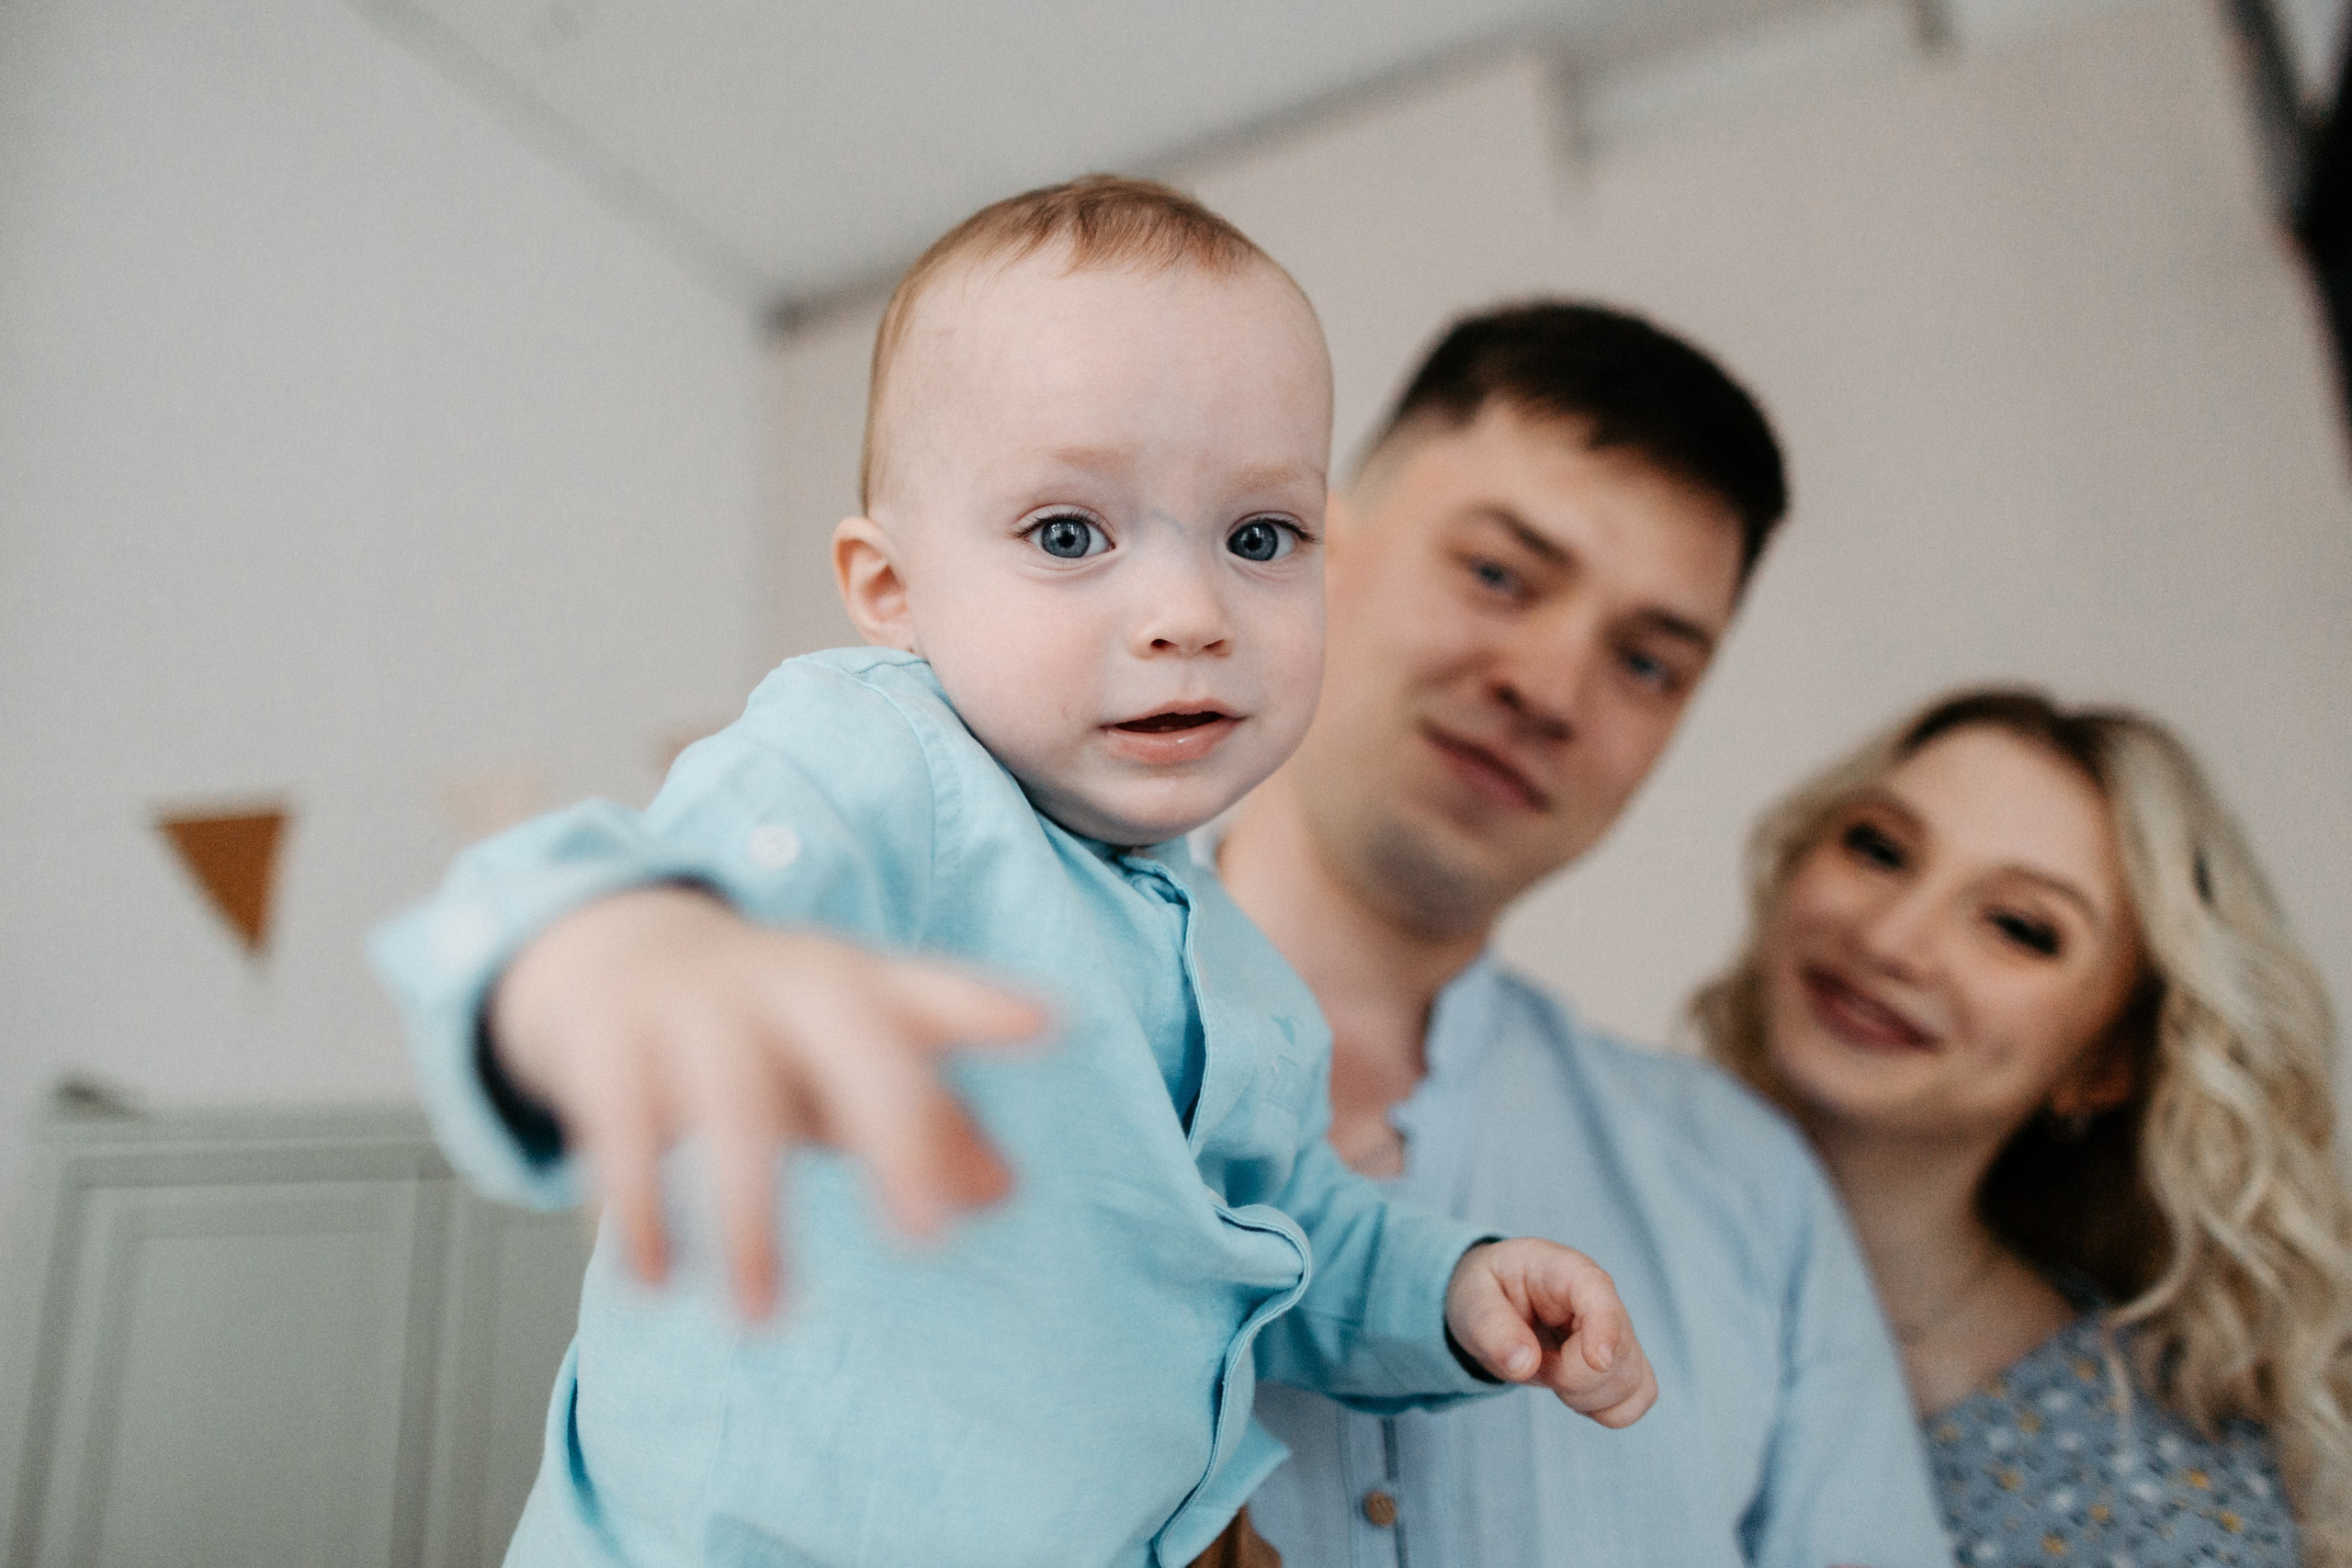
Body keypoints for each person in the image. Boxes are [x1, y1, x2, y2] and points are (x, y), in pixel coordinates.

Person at [371, 178, 1655, 1568]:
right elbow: (644, 883)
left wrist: (1450, 1284)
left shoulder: (1245, 979)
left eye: (1259, 537)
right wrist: (627, 953)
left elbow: (1286, 1240)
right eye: (1068, 534)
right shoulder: (883, 766)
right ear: (892, 590)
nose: (1188, 614)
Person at [1227, 303, 1954, 1566]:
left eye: (1649, 660)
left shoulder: (1752, 1198)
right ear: (1307, 546)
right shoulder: (965, 1033)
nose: (1551, 688)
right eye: (1500, 572)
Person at [1692, 688, 2352, 1564]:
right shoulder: (1550, 1174)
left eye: (2018, 926)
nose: (1892, 937)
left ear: (2107, 1061)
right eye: (1880, 848)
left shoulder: (2151, 1498)